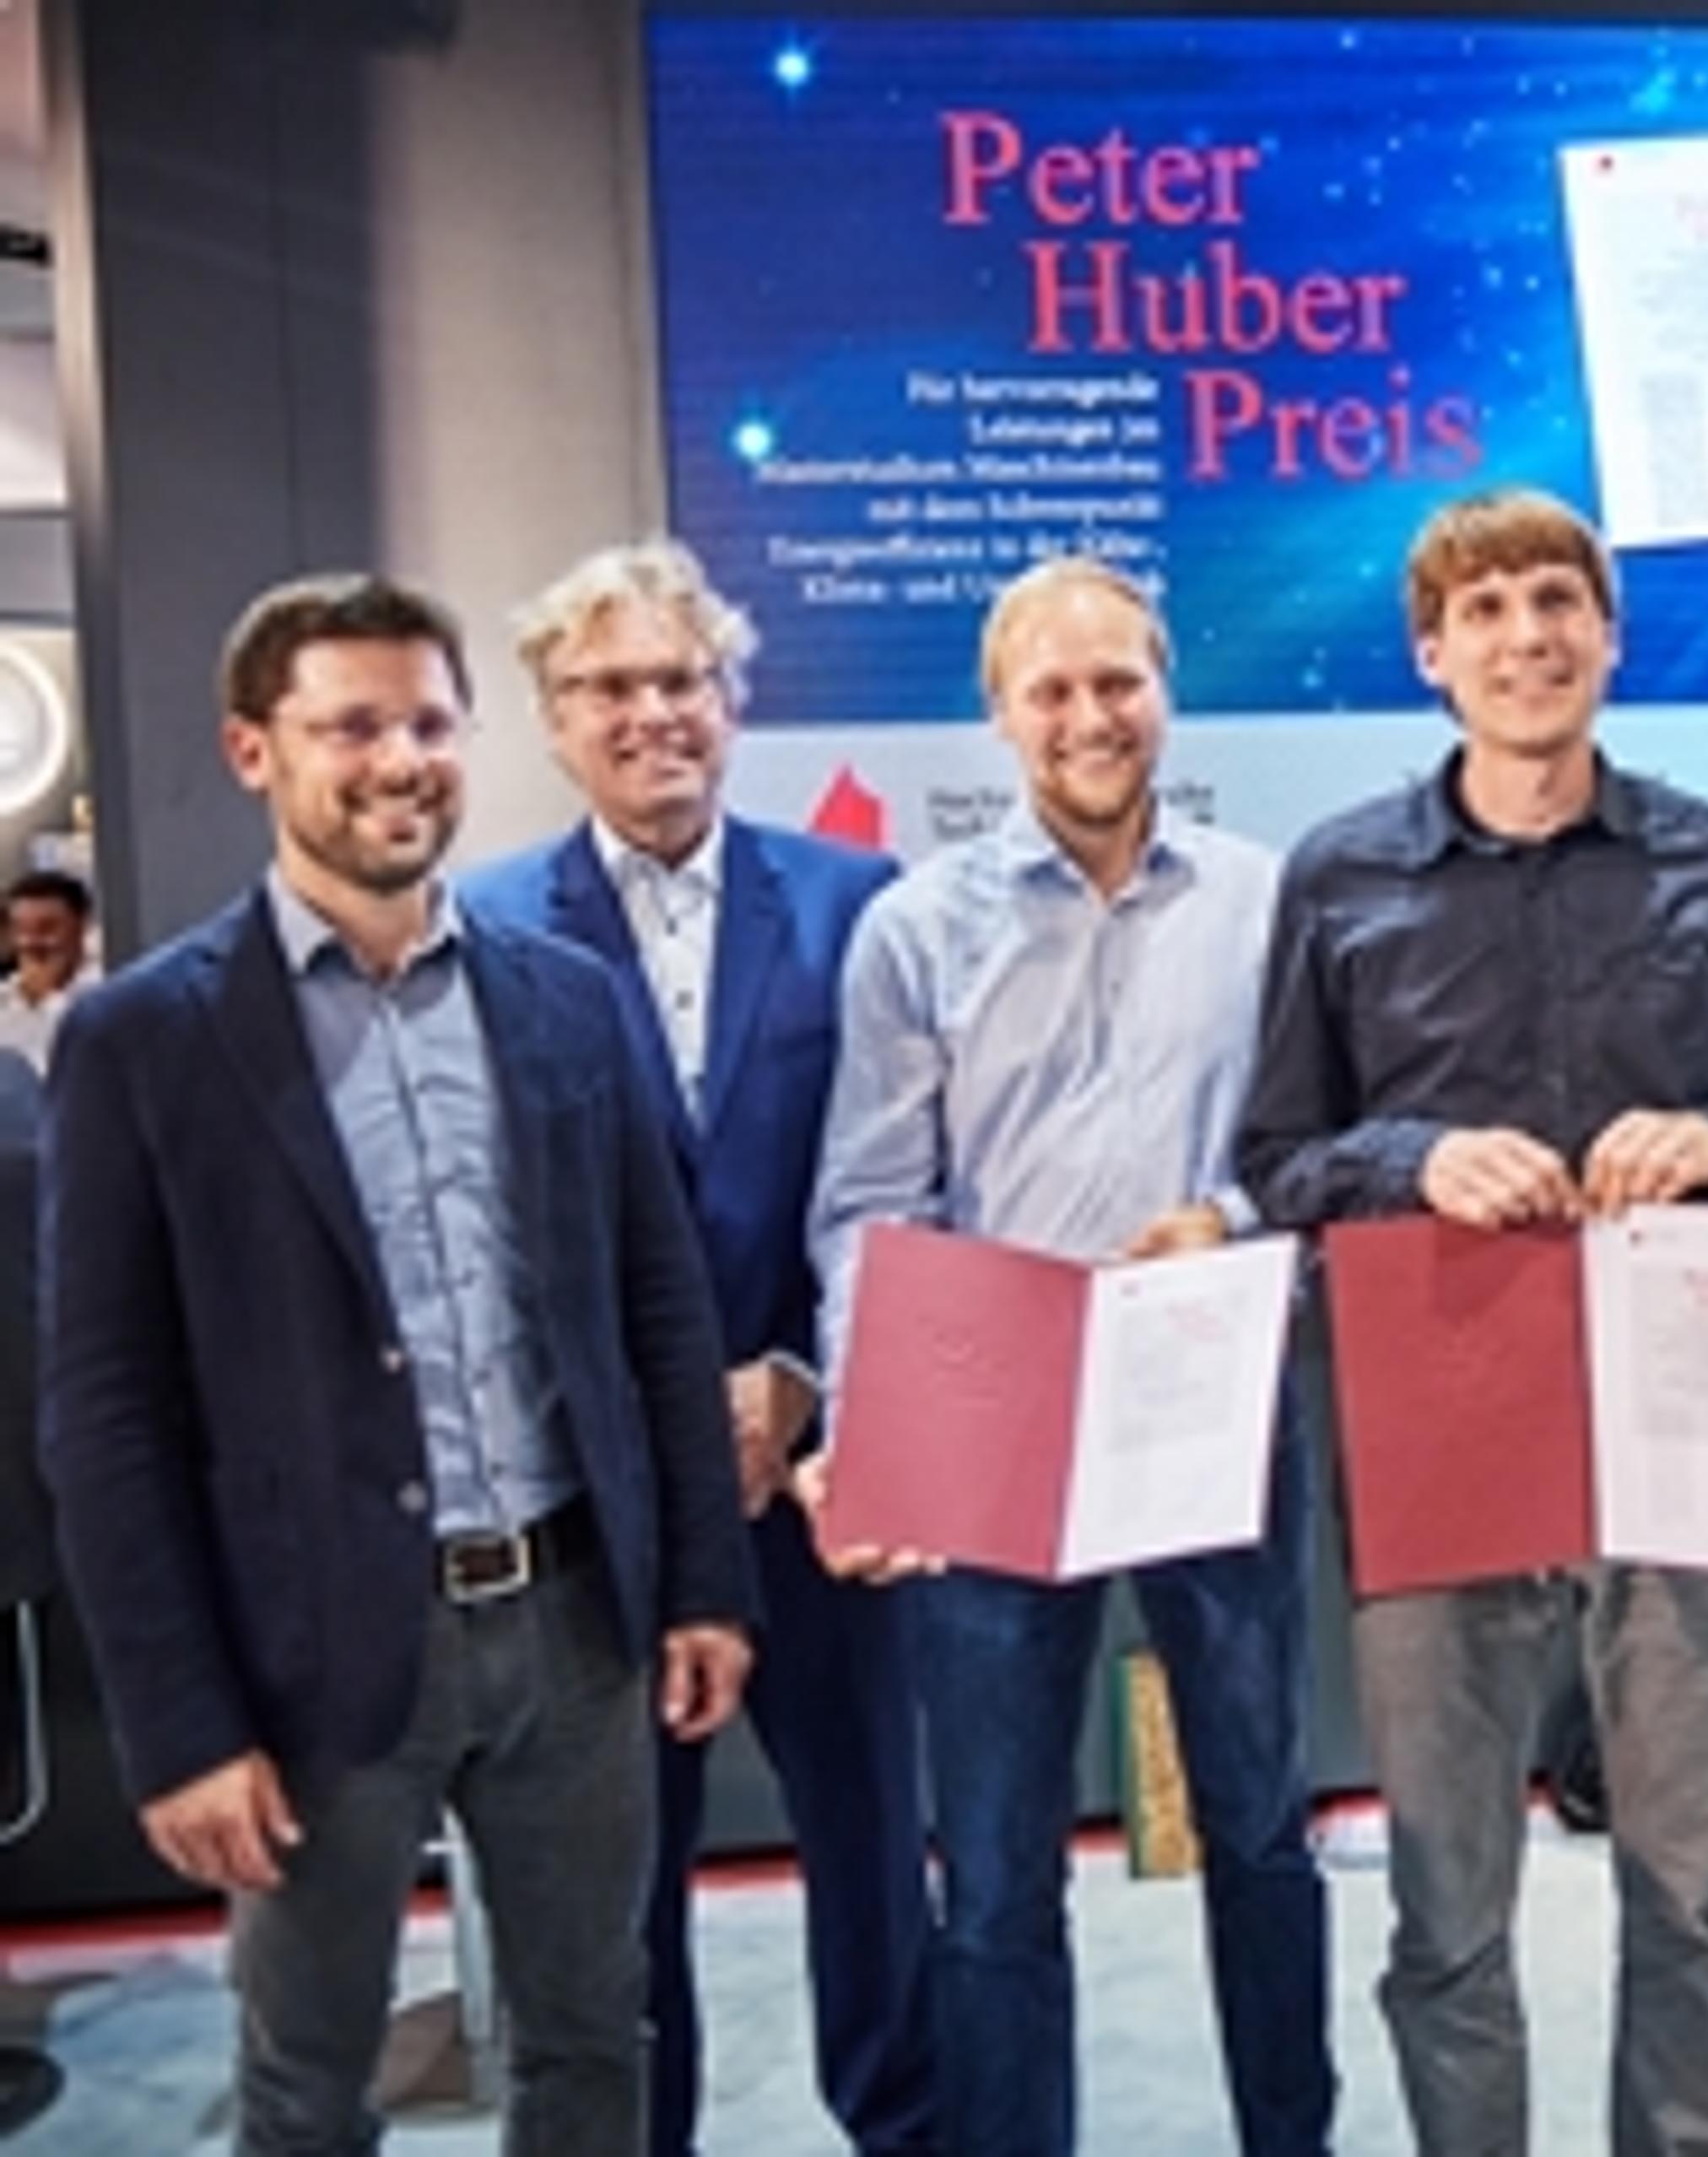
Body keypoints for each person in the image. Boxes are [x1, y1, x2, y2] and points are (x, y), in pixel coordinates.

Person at [38, 571, 755, 2150]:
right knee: (308, 2082)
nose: (399, 760)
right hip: (312, 1648)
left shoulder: (566, 1001)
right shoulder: (144, 1039)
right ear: (253, 750)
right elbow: (103, 1413)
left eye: (429, 724)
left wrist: (703, 1580)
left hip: (576, 1624)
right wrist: (179, 1723)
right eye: (351, 726)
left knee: (594, 2038)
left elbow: (659, 1310)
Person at [1237, 486, 1708, 2156]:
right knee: (1448, 1908)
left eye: (1555, 601)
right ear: (1432, 653)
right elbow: (1277, 1160)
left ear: (1609, 633)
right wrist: (1413, 1159)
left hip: (1692, 1438)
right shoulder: (1341, 877)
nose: (1527, 636)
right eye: (1488, 609)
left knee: (1692, 1899)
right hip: (1444, 1435)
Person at [806, 554, 1333, 2156]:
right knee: (994, 1866)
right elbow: (870, 1204)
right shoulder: (915, 929)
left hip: (1210, 1399)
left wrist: (1231, 1215)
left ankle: (1289, 2140)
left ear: (1168, 688)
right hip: (994, 1420)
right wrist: (880, 1436)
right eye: (1053, 690)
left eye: (1119, 682)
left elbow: (1318, 1150)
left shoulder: (1269, 902)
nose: (1090, 716)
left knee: (1260, 1828)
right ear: (998, 712)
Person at [465, 539, 934, 2156]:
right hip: (608, 1507)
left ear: (733, 701)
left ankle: (903, 2128)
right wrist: (658, 1413)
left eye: (680, 679)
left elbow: (902, 1175)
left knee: (877, 1863)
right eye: (607, 686)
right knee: (614, 1903)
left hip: (820, 1476)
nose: (650, 712)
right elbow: (494, 1228)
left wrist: (801, 1372)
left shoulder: (860, 902)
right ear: (552, 717)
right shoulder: (483, 928)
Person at [0, 868, 93, 1072]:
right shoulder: (4, 999)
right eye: (21, 930)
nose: (31, 942)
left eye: (47, 929)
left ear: (81, 926)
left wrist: (50, 997)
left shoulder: (105, 996)